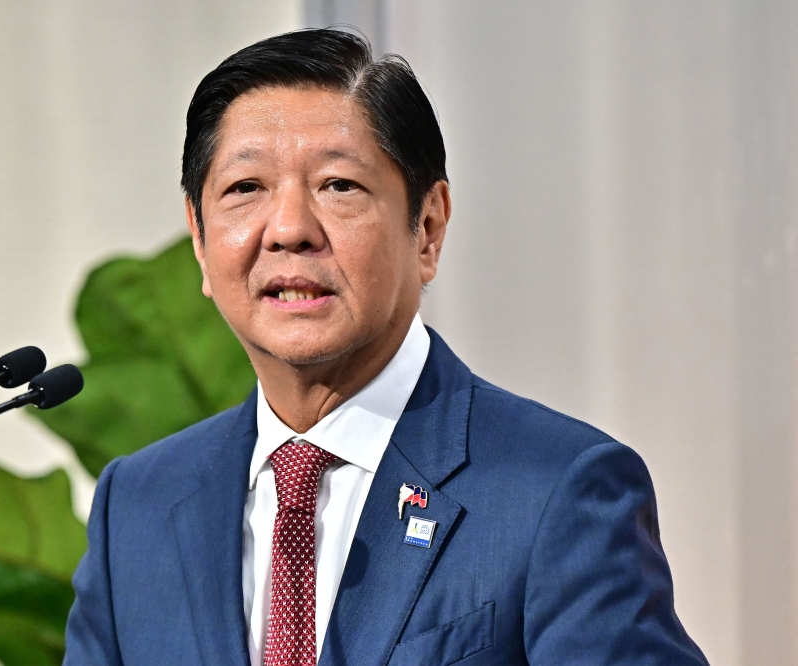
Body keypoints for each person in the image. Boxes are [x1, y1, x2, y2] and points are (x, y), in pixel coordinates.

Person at [62, 29, 708, 666]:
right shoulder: (139, 506)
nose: (289, 229)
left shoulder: (555, 490)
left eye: (338, 186)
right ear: (200, 240)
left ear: (427, 228)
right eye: (245, 188)